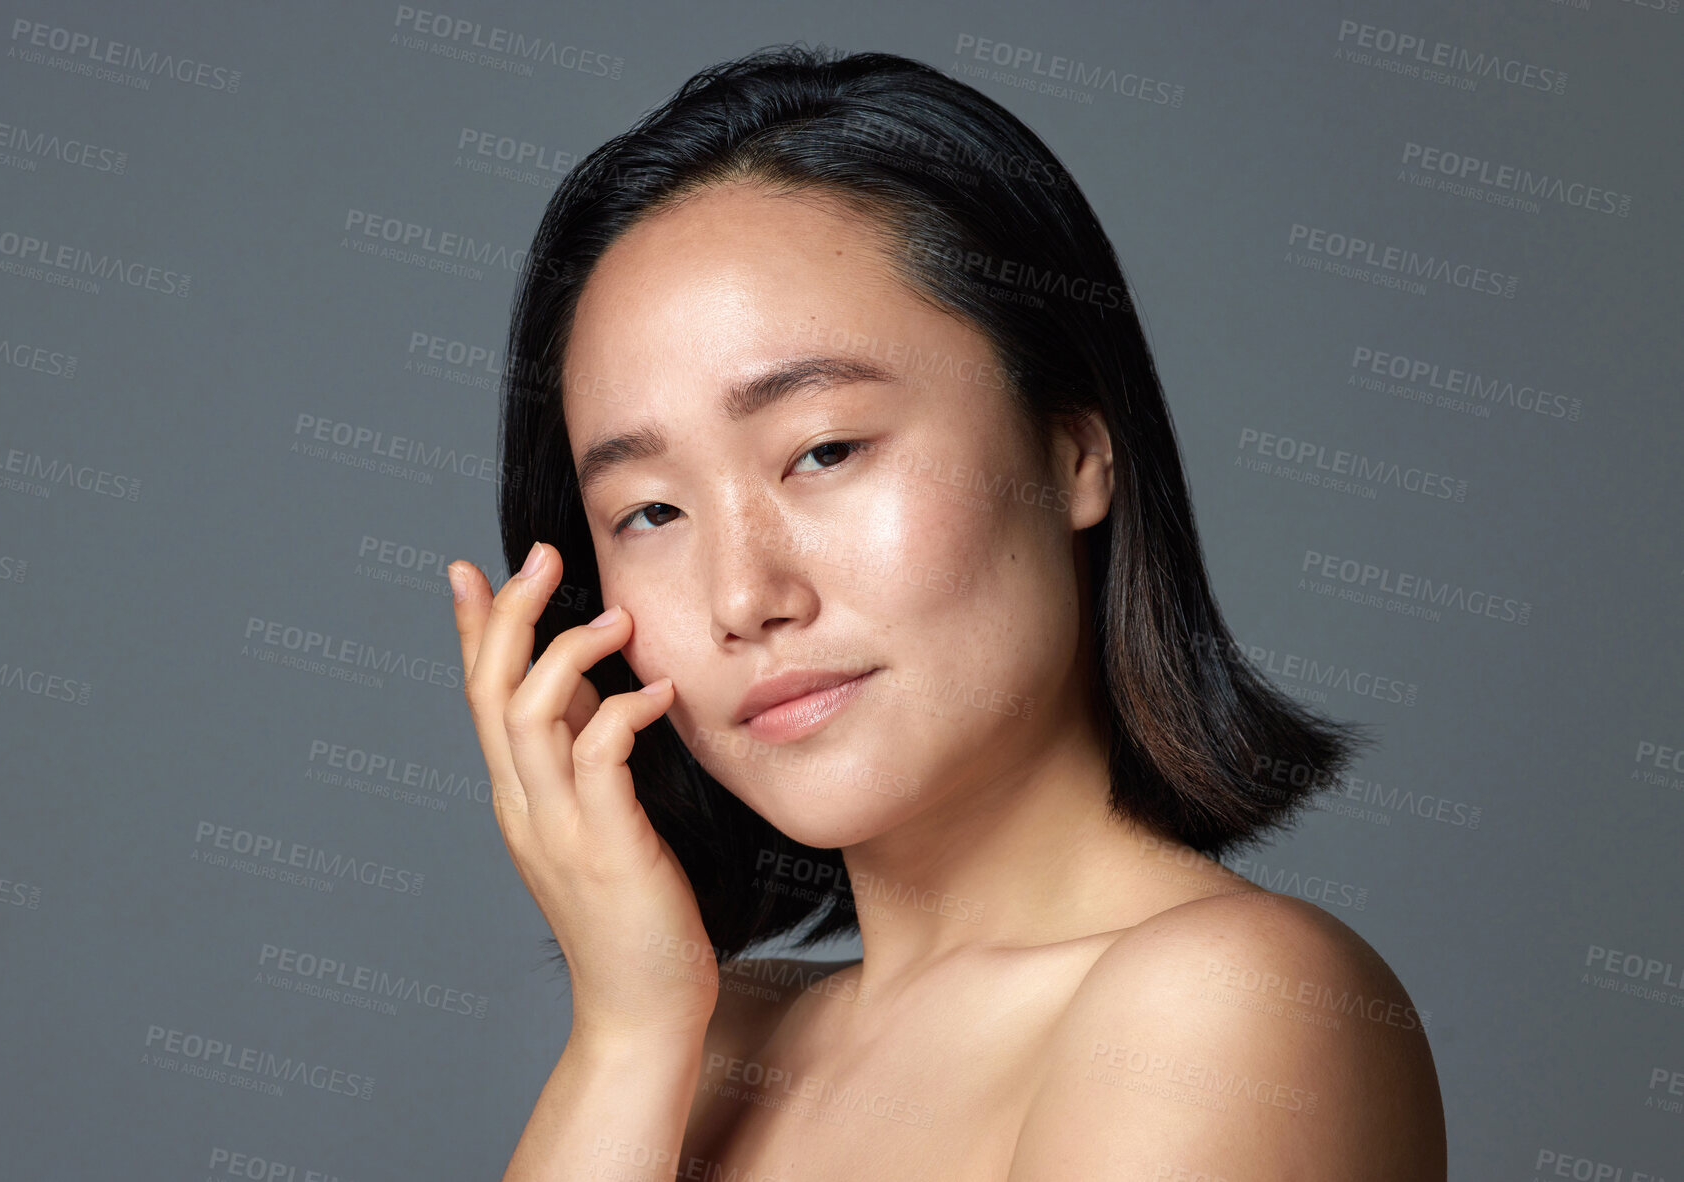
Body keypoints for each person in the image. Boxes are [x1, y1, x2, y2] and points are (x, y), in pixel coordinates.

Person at [445, 43, 1446, 1182]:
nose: (742, 598)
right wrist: (623, 1035)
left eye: (822, 450)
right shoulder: (706, 1043)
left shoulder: (1226, 1007)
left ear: (1071, 445)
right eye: (651, 513)